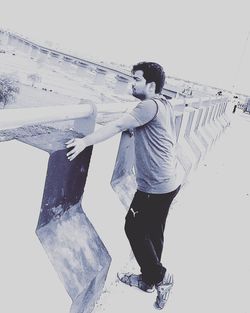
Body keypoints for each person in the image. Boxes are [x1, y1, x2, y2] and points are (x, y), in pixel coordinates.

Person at [66, 62, 181, 310]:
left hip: (154, 185)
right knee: (153, 231)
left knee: (134, 227)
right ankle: (149, 281)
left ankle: (162, 278)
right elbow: (153, 131)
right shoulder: (164, 104)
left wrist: (85, 141)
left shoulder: (147, 105)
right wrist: (135, 131)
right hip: (169, 181)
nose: (132, 83)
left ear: (151, 85)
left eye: (137, 79)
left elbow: (118, 125)